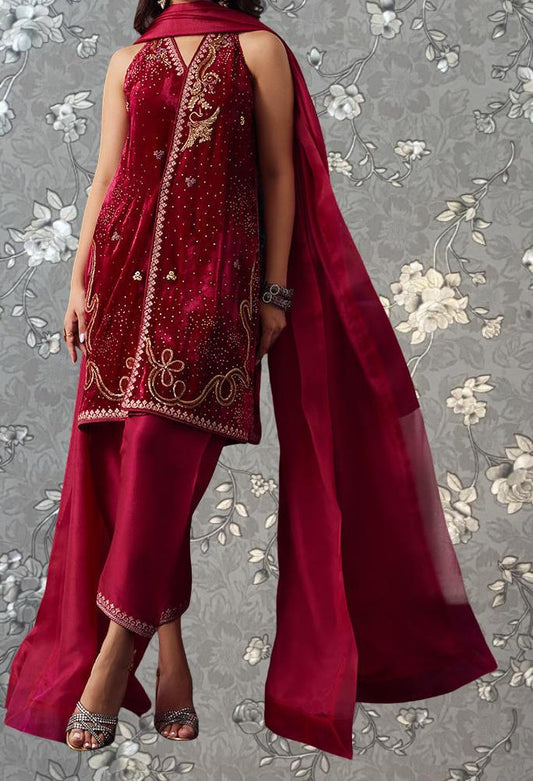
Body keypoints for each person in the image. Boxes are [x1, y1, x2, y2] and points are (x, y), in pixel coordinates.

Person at [3, 0, 498, 762]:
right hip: (120, 292)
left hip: (212, 285)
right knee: (128, 474)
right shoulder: (128, 62)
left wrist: (272, 291)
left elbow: (275, 171)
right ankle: (170, 660)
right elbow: (105, 179)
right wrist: (77, 284)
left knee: (164, 469)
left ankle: (107, 668)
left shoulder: (257, 50)